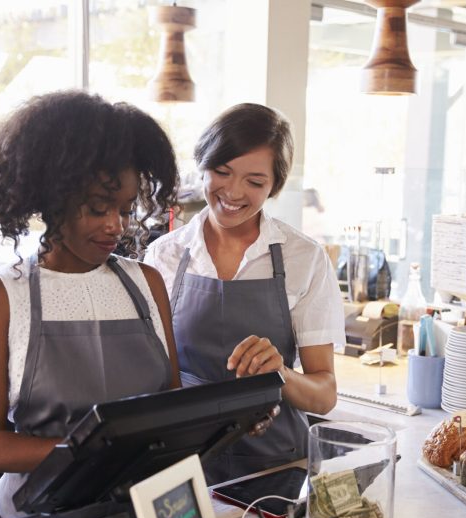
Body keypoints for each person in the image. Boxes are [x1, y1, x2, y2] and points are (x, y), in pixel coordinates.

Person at [0, 91, 182, 518]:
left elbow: (169, 409)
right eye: (99, 209)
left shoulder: (146, 283)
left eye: (125, 209)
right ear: (54, 198)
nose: (116, 225)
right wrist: (95, 454)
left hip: (142, 514)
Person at [144, 103, 345, 483]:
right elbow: (151, 378)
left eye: (254, 182)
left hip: (276, 464)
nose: (233, 192)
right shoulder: (164, 255)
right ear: (202, 165)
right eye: (221, 172)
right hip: (184, 463)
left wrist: (280, 375)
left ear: (274, 186)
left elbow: (324, 394)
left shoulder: (305, 258)